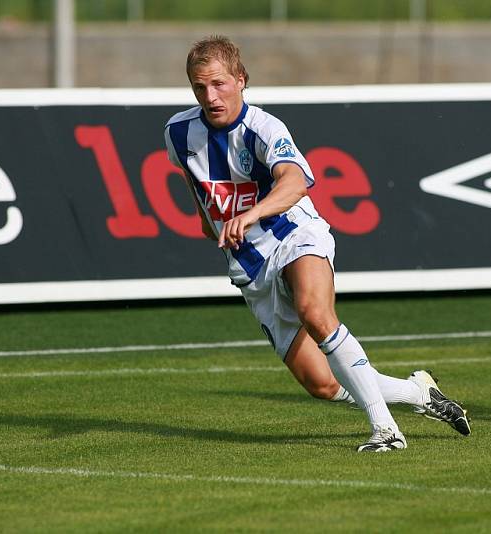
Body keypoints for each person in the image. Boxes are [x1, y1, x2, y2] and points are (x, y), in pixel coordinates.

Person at [164, 35, 470, 451]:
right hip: (250, 266)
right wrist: (211, 223)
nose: (210, 96)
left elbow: (294, 181)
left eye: (219, 84)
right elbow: (196, 187)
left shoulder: (264, 128)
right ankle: (419, 394)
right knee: (322, 384)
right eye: (200, 87)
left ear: (241, 79)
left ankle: (386, 431)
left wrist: (251, 214)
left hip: (293, 234)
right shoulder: (178, 133)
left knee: (315, 311)